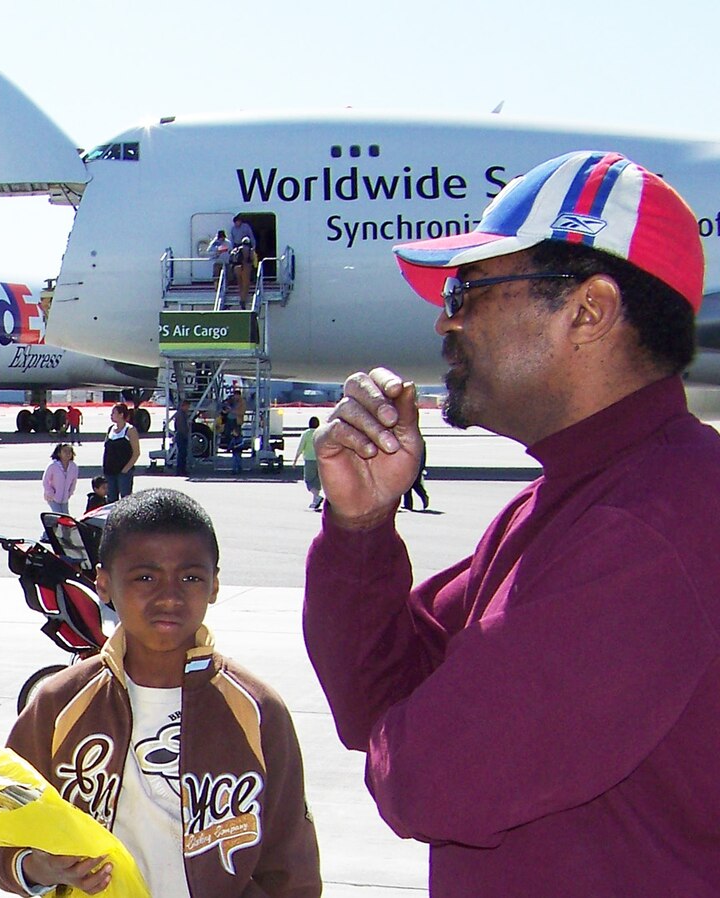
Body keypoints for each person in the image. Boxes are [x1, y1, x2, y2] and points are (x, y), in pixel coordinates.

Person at [305, 151, 719, 895]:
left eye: (468, 289)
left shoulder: (645, 527)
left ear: (588, 312)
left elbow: (429, 780)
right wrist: (361, 526)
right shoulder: (576, 497)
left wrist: (416, 723)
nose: (445, 318)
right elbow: (373, 702)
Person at [0, 489, 321, 897]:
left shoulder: (258, 711)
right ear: (103, 583)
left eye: (191, 577)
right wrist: (40, 867)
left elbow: (291, 863)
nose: (169, 596)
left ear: (214, 584)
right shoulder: (59, 704)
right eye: (145, 577)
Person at [102, 404, 138, 501]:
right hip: (109, 471)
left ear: (121, 414)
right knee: (111, 499)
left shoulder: (130, 430)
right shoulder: (110, 429)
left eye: (114, 413)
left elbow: (136, 453)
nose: (111, 415)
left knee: (125, 499)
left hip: (123, 472)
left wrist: (126, 469)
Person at [228, 214, 259, 306]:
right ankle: (243, 299)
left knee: (239, 283)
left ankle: (240, 296)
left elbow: (232, 258)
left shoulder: (236, 250)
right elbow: (254, 261)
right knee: (246, 284)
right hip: (246, 267)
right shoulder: (249, 250)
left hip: (237, 266)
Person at [42, 443, 81, 515]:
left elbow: (74, 481)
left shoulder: (73, 466)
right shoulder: (53, 465)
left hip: (65, 498)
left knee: (66, 516)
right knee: (59, 516)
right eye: (65, 451)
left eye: (70, 451)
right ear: (59, 453)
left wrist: (70, 492)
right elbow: (45, 481)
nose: (68, 454)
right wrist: (51, 493)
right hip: (53, 498)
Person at [295, 416, 322, 510]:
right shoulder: (320, 433)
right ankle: (315, 501)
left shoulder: (306, 434)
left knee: (309, 481)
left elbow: (301, 447)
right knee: (317, 481)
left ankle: (317, 498)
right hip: (320, 460)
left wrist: (295, 460)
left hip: (309, 460)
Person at [399, 444, 428, 511]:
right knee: (408, 485)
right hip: (411, 464)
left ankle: (423, 496)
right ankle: (408, 504)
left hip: (413, 465)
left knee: (413, 484)